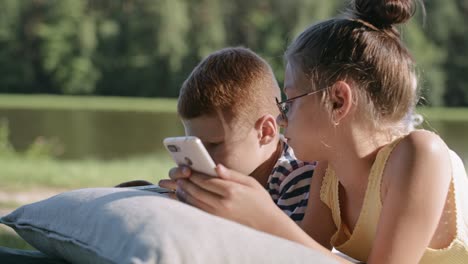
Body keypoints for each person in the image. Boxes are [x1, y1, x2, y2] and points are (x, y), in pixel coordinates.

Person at [167, 0, 468, 263]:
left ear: (338, 101)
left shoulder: (419, 154)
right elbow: (301, 256)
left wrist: (264, 218)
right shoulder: (328, 175)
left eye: (291, 101)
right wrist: (210, 205)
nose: (282, 119)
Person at [146, 47, 313, 224]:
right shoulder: (240, 171)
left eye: (215, 144)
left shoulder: (297, 177)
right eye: (196, 146)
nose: (204, 159)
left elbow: (290, 248)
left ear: (265, 132)